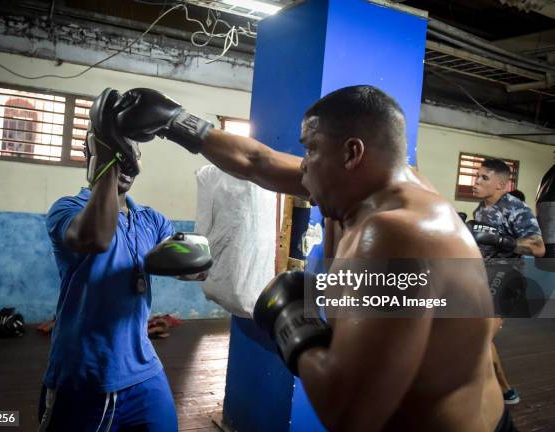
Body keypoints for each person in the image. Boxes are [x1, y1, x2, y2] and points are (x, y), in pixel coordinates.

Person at [105, 85, 515, 431]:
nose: (302, 168)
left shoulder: (392, 234)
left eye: (311, 150)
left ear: (352, 154)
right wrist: (176, 122)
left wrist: (291, 320)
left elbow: (350, 413)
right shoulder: (381, 188)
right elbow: (257, 162)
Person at [39, 89, 177, 431]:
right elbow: (95, 237)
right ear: (95, 157)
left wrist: (198, 259)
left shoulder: (152, 219)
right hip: (82, 375)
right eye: (117, 155)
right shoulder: (67, 209)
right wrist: (108, 161)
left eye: (131, 154)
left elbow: (186, 261)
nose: (126, 164)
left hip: (145, 372)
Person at [471, 159, 545, 405]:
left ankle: (500, 390)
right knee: (478, 337)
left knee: (479, 338)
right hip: (485, 274)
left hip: (509, 276)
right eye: (477, 176)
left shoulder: (517, 208)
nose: (476, 182)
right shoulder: (480, 209)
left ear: (501, 184)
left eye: (484, 178)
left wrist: (504, 242)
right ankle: (502, 390)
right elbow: (483, 245)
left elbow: (538, 248)